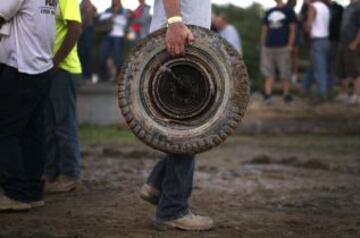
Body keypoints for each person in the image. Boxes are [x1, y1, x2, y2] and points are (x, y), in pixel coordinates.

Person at [139, 0, 214, 231]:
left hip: (187, 38)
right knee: (189, 127)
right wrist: (174, 23)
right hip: (179, 39)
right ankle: (173, 210)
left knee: (186, 125)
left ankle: (157, 183)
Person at [0, 0, 57, 211]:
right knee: (33, 134)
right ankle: (32, 191)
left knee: (5, 131)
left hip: (20, 68)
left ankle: (15, 193)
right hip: (41, 66)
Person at [44, 0, 83, 193]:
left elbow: (75, 28)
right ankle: (51, 173)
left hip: (64, 69)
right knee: (49, 124)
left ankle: (69, 174)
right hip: (49, 68)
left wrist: (56, 61)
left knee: (64, 124)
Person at [261, 0, 297, 103]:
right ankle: (268, 95)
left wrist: (290, 45)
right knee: (268, 72)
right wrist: (263, 45)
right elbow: (265, 29)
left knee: (285, 71)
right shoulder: (269, 11)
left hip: (283, 46)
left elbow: (293, 29)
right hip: (268, 47)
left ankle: (286, 95)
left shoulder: (289, 11)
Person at [304, 0, 330, 101]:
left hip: (317, 41)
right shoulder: (325, 7)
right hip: (325, 40)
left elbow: (309, 24)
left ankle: (322, 94)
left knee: (320, 69)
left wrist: (305, 27)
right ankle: (305, 88)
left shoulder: (313, 7)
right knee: (314, 66)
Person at [335, 0, 360, 104]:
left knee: (355, 70)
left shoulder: (358, 8)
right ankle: (343, 94)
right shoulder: (348, 7)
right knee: (341, 70)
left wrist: (355, 42)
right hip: (343, 42)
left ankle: (357, 95)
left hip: (352, 42)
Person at [99, 0, 128, 82]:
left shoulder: (123, 11)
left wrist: (113, 18)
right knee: (103, 55)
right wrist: (112, 17)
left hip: (118, 35)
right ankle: (104, 76)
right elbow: (101, 18)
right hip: (107, 35)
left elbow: (124, 22)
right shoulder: (108, 10)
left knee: (118, 56)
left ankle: (118, 76)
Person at [78, 0, 97, 83]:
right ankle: (86, 74)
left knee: (85, 52)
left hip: (86, 29)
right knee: (84, 52)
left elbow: (88, 15)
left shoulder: (86, 3)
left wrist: (82, 27)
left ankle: (87, 74)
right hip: (85, 29)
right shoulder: (83, 3)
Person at [327, 0, 344, 94]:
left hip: (335, 40)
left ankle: (332, 83)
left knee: (333, 63)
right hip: (327, 39)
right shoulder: (324, 7)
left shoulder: (339, 8)